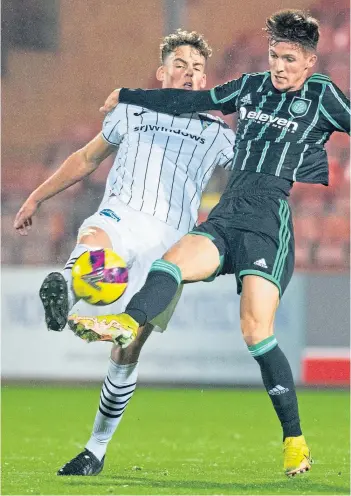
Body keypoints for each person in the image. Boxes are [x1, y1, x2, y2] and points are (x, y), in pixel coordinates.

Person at [69, 9, 351, 477]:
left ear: (309, 63)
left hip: (267, 222)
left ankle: (295, 440)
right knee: (169, 264)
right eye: (274, 56)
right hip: (226, 217)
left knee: (255, 332)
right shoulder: (251, 86)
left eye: (289, 59)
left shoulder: (321, 95)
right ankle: (124, 323)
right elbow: (185, 103)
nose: (279, 66)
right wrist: (129, 94)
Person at [14, 29, 236, 475]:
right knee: (99, 247)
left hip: (169, 248)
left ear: (205, 79)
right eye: (180, 65)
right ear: (161, 72)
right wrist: (37, 196)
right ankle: (69, 291)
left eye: (197, 69)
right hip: (122, 215)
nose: (189, 75)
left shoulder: (218, 133)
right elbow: (86, 159)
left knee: (128, 347)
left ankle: (95, 449)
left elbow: (253, 180)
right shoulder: (132, 110)